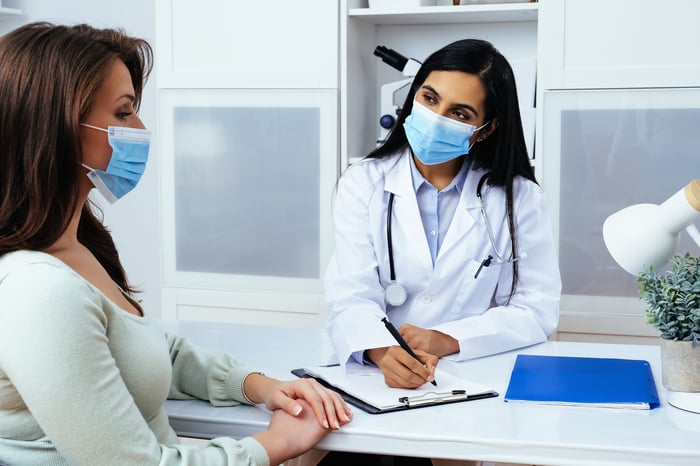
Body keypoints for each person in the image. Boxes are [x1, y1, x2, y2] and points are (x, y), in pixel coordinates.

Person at [0, 22, 351, 466]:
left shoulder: (75, 248)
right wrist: (276, 444)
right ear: (55, 127)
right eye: (124, 113)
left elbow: (149, 347)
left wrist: (260, 386)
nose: (141, 127)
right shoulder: (38, 290)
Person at [325, 38, 562, 390]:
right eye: (430, 98)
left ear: (487, 128)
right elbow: (350, 294)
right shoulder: (363, 183)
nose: (436, 119)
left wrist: (446, 338)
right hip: (377, 380)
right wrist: (381, 351)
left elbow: (536, 310)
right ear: (414, 94)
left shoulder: (519, 198)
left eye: (460, 113)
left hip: (477, 378)